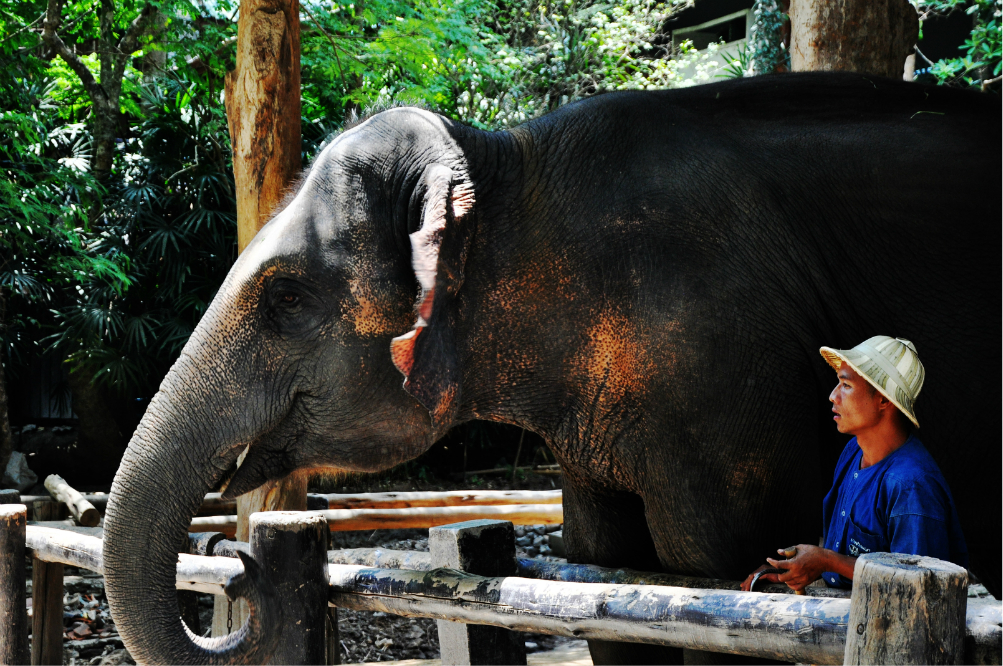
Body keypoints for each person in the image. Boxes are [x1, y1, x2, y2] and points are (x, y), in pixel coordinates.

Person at [741, 335, 968, 592]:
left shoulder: (910, 486)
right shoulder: (854, 450)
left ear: (883, 399)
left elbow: (917, 584)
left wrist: (827, 560)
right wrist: (793, 570)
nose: (832, 396)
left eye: (846, 385)